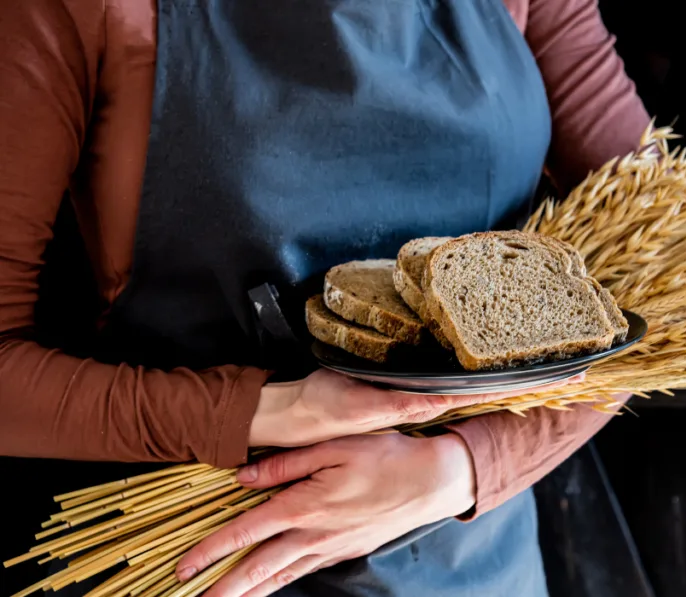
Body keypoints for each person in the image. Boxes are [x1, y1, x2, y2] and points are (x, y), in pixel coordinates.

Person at [0, 1, 651, 595]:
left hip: (475, 566)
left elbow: (676, 265)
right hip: (192, 559)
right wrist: (272, 412)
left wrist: (462, 468)